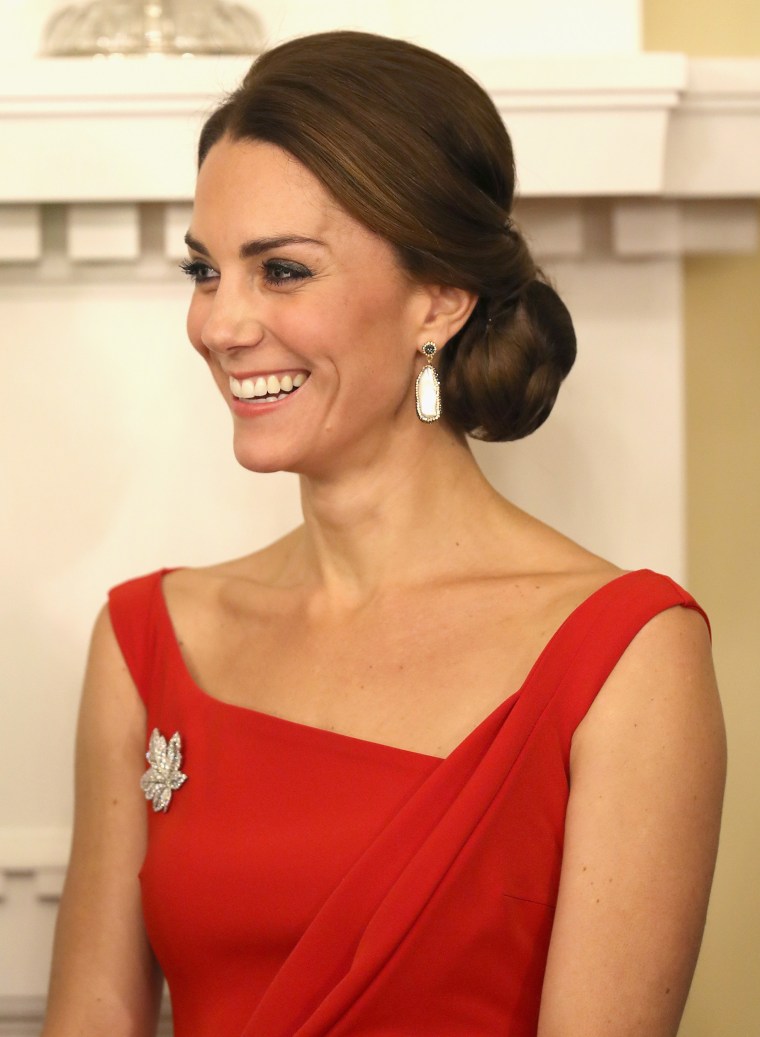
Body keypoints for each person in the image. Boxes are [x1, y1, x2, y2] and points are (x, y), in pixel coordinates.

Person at [42, 30, 726, 1037]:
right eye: (205, 269)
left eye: (280, 270)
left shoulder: (626, 656)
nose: (220, 323)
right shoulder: (146, 641)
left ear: (439, 300)